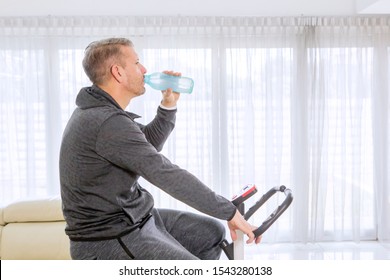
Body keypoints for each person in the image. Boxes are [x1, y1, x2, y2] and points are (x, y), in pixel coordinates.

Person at [59, 37, 261, 260]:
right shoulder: (105, 122)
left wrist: (168, 104)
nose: (144, 69)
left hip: (138, 219)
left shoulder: (101, 112)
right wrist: (228, 211)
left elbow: (145, 145)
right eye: (137, 63)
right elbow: (162, 171)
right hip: (109, 238)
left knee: (210, 233)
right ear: (118, 72)